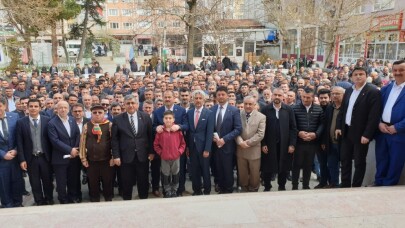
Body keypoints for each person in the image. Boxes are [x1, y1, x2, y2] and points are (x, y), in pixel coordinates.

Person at [336, 67, 382, 188]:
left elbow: (374, 116)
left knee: (359, 162)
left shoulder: (373, 91)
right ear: (351, 77)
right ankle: (345, 184)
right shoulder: (349, 91)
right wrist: (338, 126)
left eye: (361, 74)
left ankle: (356, 186)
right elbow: (343, 110)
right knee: (345, 160)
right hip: (346, 131)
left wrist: (367, 134)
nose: (358, 76)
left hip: (361, 134)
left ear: (366, 76)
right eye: (355, 74)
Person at [112, 95, 154, 200]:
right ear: (124, 105)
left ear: (137, 104)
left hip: (142, 155)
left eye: (132, 103)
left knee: (143, 181)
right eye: (128, 103)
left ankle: (143, 200)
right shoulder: (117, 119)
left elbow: (150, 136)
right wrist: (116, 156)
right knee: (126, 182)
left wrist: (151, 152)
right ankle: (127, 202)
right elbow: (114, 139)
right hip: (126, 156)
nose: (130, 105)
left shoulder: (145, 117)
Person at [16, 99, 54, 206]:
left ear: (40, 108)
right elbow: (19, 142)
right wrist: (22, 159)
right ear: (27, 107)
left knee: (47, 180)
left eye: (36, 106)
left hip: (45, 157)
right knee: (34, 182)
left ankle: (49, 199)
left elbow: (51, 140)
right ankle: (39, 201)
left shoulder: (47, 120)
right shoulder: (21, 122)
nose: (33, 108)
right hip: (31, 158)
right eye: (31, 106)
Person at [375, 60, 405, 186]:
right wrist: (379, 123)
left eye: (401, 70)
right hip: (382, 131)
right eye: (395, 70)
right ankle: (378, 184)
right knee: (381, 160)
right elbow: (376, 109)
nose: (397, 73)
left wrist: (397, 127)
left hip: (399, 134)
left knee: (395, 163)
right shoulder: (386, 88)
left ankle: (388, 188)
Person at [261, 88, 297, 191]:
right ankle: (267, 186)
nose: (277, 97)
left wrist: (292, 144)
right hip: (269, 143)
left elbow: (293, 128)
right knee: (267, 166)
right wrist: (263, 143)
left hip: (284, 144)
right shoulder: (265, 109)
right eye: (275, 95)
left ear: (283, 97)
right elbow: (261, 129)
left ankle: (282, 186)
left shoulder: (288, 110)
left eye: (279, 95)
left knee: (283, 166)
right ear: (272, 96)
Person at [153, 90, 187, 196]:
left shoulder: (181, 110)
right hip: (164, 152)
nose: (167, 99)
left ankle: (178, 190)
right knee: (165, 173)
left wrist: (179, 127)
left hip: (176, 150)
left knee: (178, 171)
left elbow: (187, 125)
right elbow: (153, 127)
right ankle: (166, 191)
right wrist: (157, 127)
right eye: (165, 97)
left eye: (169, 97)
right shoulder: (157, 111)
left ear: (174, 97)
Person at [48, 101, 81, 204]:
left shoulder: (72, 120)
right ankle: (63, 199)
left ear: (68, 109)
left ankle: (73, 197)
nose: (63, 109)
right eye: (60, 108)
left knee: (73, 179)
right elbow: (55, 141)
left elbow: (77, 135)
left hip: (73, 156)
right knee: (61, 182)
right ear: (56, 109)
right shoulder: (52, 123)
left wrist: (75, 149)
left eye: (65, 107)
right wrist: (70, 150)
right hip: (60, 158)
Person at [79, 104, 114, 202]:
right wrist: (83, 158)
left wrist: (113, 157)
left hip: (107, 160)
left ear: (104, 113)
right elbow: (82, 143)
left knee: (107, 182)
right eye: (94, 113)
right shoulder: (87, 126)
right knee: (93, 183)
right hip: (91, 161)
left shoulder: (109, 125)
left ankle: (108, 199)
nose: (97, 115)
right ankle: (95, 200)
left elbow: (113, 142)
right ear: (91, 114)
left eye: (100, 112)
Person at [210, 86, 242, 193]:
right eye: (219, 95)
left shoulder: (234, 110)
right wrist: (213, 138)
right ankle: (220, 189)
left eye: (223, 94)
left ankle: (228, 191)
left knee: (228, 171)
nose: (221, 96)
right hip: (215, 147)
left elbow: (238, 129)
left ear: (227, 96)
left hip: (228, 147)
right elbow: (209, 128)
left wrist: (224, 139)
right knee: (217, 170)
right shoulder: (212, 109)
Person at [292, 87, 324, 190]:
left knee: (308, 165)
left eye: (308, 97)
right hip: (299, 142)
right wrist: (298, 133)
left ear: (313, 97)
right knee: (296, 165)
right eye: (304, 97)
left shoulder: (319, 109)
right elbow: (292, 125)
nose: (305, 99)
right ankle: (295, 186)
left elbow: (322, 124)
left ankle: (306, 185)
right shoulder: (294, 108)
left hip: (312, 143)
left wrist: (316, 134)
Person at [185, 90, 214, 195]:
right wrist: (187, 147)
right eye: (196, 98)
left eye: (200, 98)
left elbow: (210, 133)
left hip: (203, 148)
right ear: (192, 99)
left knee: (205, 170)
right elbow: (188, 132)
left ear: (204, 99)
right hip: (192, 147)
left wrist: (207, 149)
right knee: (194, 170)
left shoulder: (209, 113)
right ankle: (196, 190)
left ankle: (207, 190)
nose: (198, 100)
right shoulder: (189, 112)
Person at [235, 96, 266, 192]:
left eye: (250, 104)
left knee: (254, 172)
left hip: (254, 150)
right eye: (246, 104)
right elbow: (235, 130)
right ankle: (244, 188)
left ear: (254, 105)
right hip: (241, 149)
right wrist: (240, 141)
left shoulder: (261, 116)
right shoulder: (238, 114)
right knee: (242, 172)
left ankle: (254, 189)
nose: (248, 106)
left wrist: (248, 142)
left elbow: (260, 134)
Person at [0, 97, 23, 208]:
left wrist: (16, 150)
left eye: (0, 106)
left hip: (15, 158)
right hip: (1, 161)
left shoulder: (14, 117)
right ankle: (7, 205)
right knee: (3, 185)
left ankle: (18, 204)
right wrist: (3, 154)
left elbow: (20, 136)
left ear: (5, 106)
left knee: (17, 182)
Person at [321, 86, 345, 188]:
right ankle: (334, 184)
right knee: (332, 164)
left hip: (343, 143)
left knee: (344, 165)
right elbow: (325, 125)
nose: (334, 96)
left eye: (337, 94)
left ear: (344, 95)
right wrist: (324, 141)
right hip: (330, 142)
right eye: (333, 94)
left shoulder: (347, 107)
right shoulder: (330, 108)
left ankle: (345, 184)